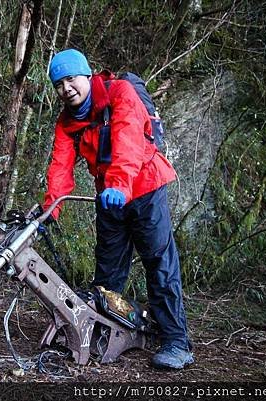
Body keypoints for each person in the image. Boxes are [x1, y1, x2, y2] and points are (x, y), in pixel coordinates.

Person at [42, 48, 194, 369]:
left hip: (145, 187)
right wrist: (50, 210)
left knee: (159, 263)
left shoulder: (120, 94)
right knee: (108, 271)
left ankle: (176, 342)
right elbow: (60, 167)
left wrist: (120, 185)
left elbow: (128, 140)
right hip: (108, 196)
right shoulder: (67, 122)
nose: (66, 88)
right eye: (59, 84)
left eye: (71, 79)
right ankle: (106, 332)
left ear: (86, 75)